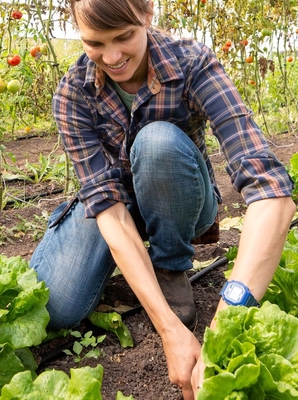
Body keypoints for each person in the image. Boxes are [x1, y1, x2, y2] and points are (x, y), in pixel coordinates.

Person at [29, 0, 296, 398]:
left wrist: (224, 324)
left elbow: (272, 191)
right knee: (57, 309)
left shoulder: (192, 62)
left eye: (124, 37)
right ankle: (122, 263)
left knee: (157, 141)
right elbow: (108, 207)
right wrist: (169, 329)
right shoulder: (73, 92)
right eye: (95, 43)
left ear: (148, 15)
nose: (113, 57)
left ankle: (170, 265)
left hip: (181, 194)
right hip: (116, 207)